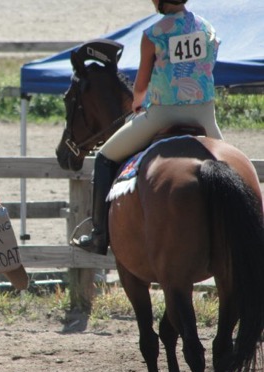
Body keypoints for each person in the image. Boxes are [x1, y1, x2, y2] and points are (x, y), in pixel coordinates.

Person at [73, 0, 223, 255]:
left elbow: (141, 86)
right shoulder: (208, 28)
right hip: (205, 115)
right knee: (236, 169)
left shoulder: (153, 34)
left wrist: (138, 102)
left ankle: (99, 236)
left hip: (163, 114)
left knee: (104, 158)